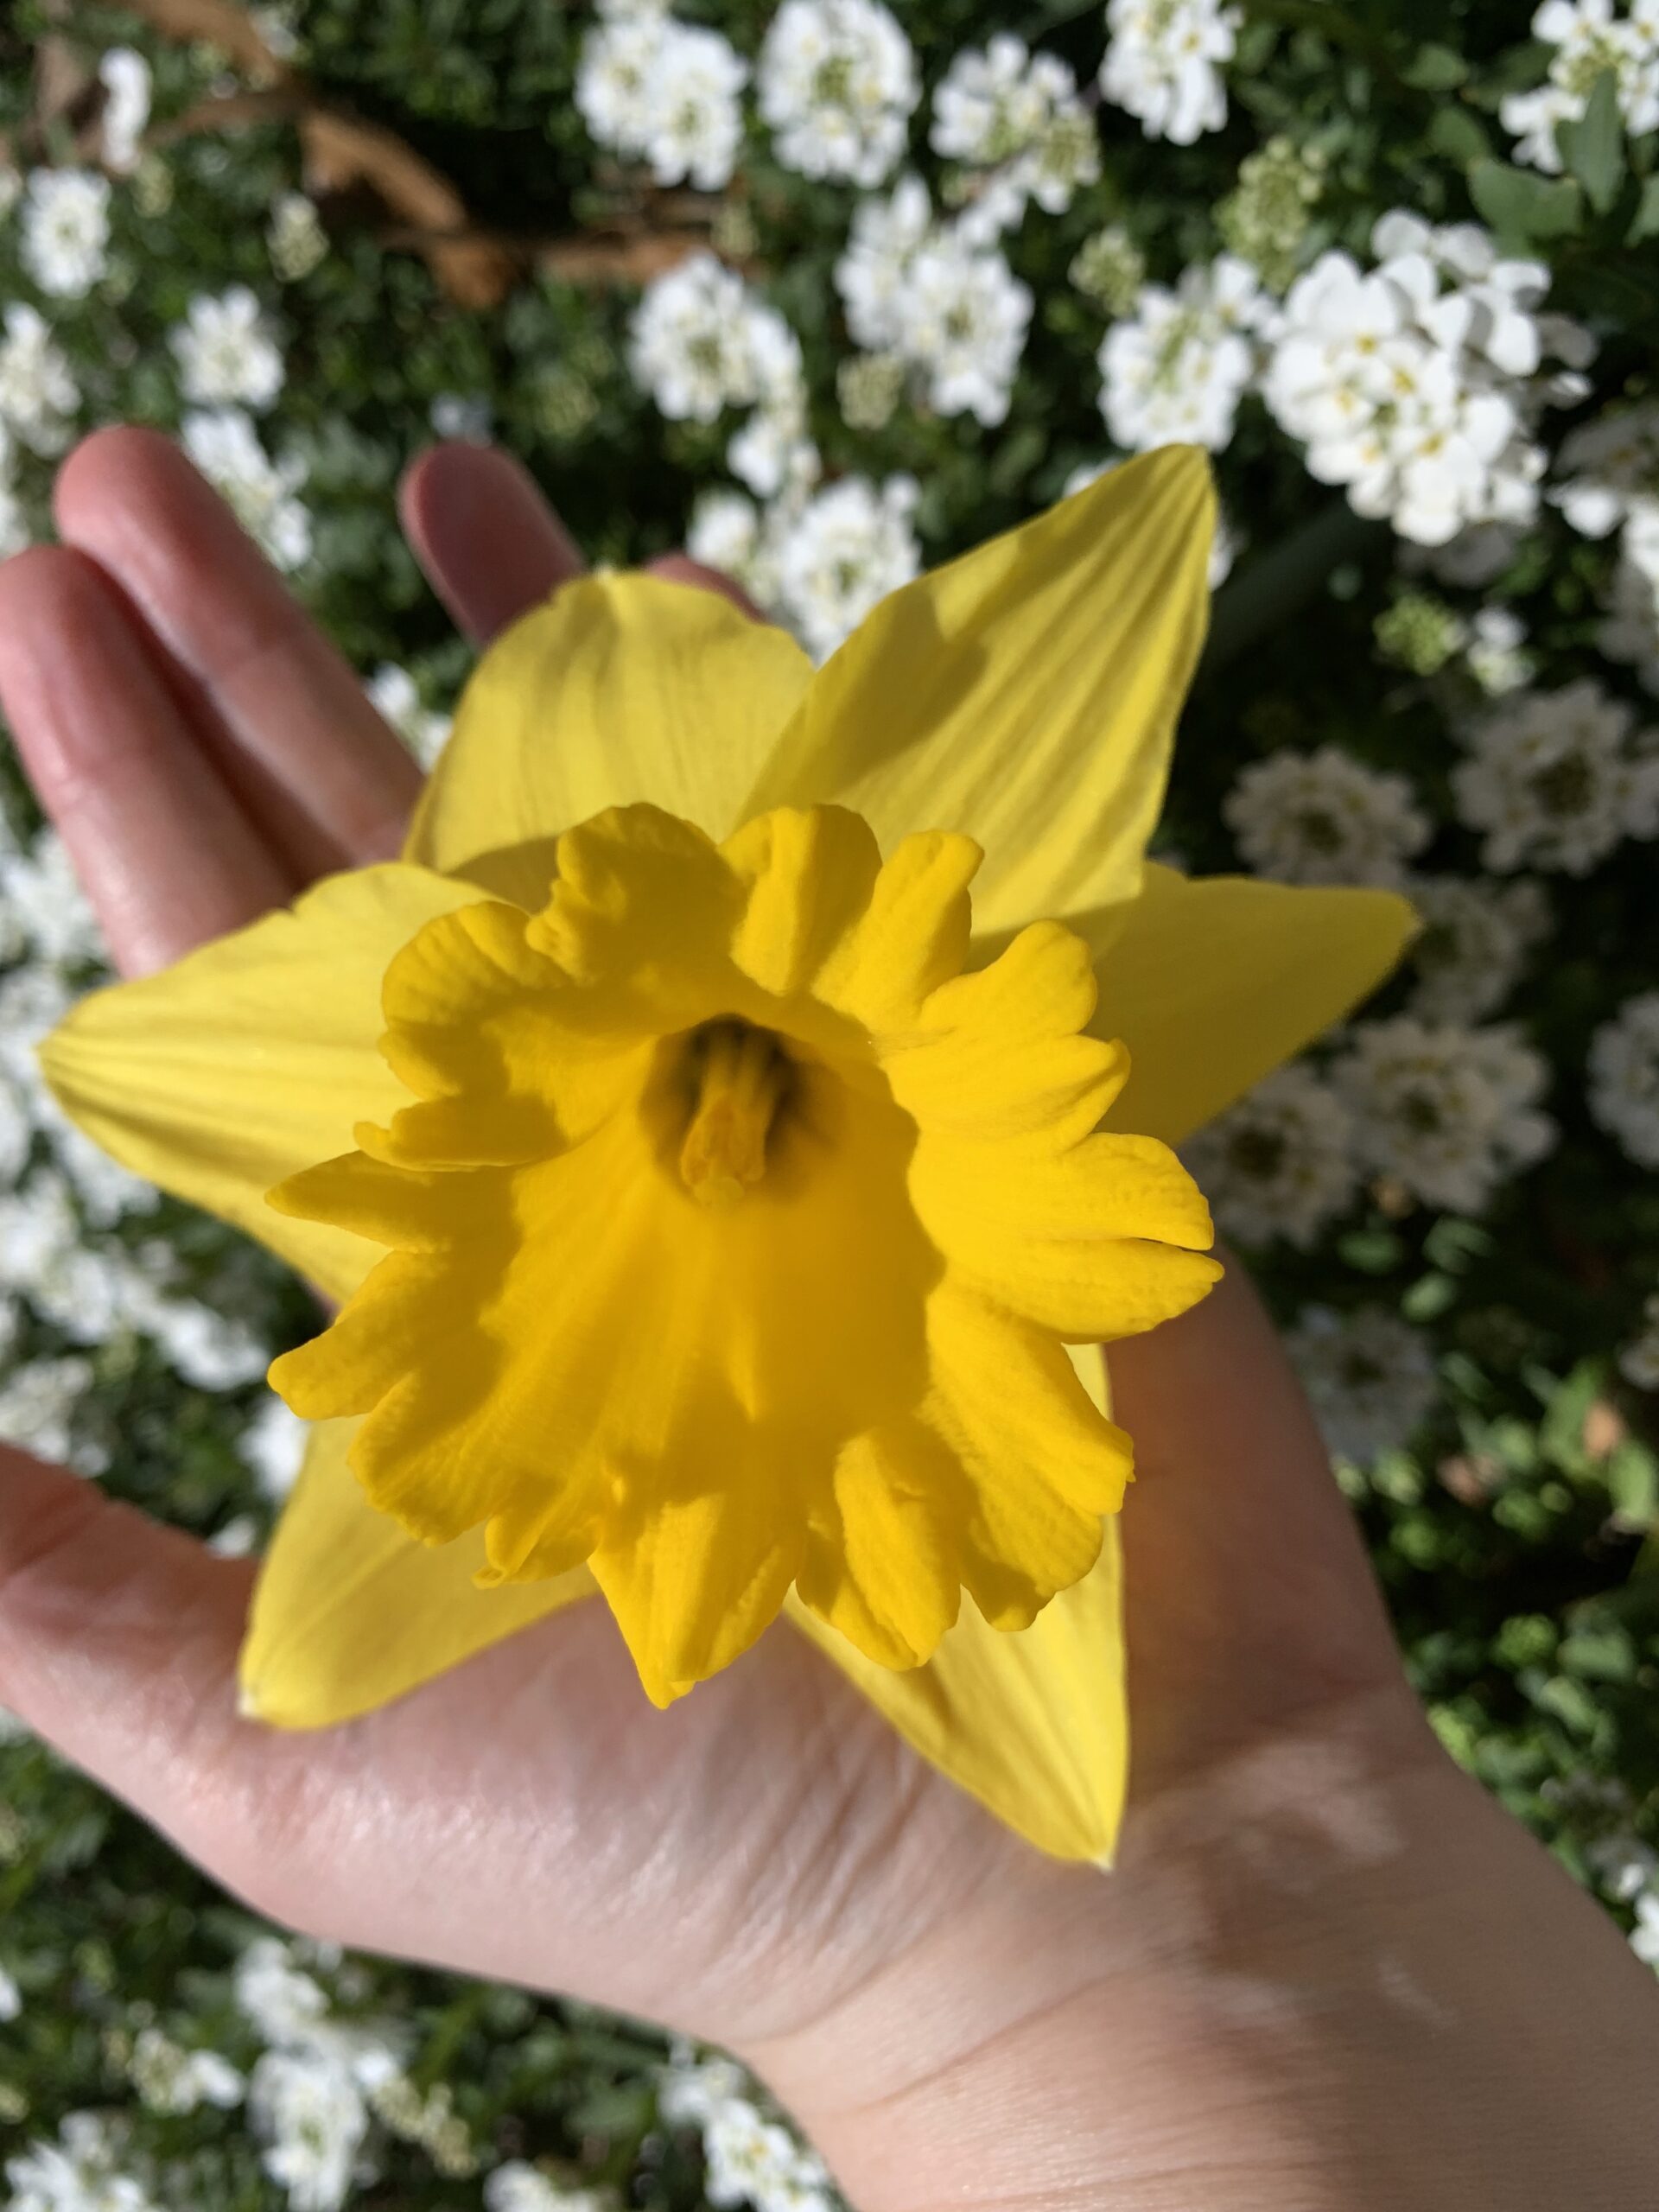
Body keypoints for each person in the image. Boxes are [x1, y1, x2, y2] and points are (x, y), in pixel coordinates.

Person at [0, 428, 1655, 2212]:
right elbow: (564, 1463)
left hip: (820, 1018)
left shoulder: (434, 1042)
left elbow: (622, 672)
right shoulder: (457, 1214)